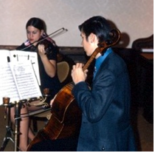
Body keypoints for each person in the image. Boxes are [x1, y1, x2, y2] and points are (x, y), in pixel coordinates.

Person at [70, 16, 137, 151]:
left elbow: (94, 111)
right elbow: (102, 95)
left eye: (82, 37)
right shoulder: (108, 60)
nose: (81, 43)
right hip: (110, 132)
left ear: (93, 38)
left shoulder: (109, 70)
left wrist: (79, 84)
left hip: (106, 141)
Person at [13, 17, 62, 152]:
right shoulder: (24, 48)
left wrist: (43, 56)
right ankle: (33, 140)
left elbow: (52, 73)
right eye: (28, 32)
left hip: (47, 93)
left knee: (19, 108)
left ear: (42, 32)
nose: (31, 36)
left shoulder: (49, 47)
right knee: (10, 108)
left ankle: (24, 146)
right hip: (30, 91)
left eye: (34, 32)